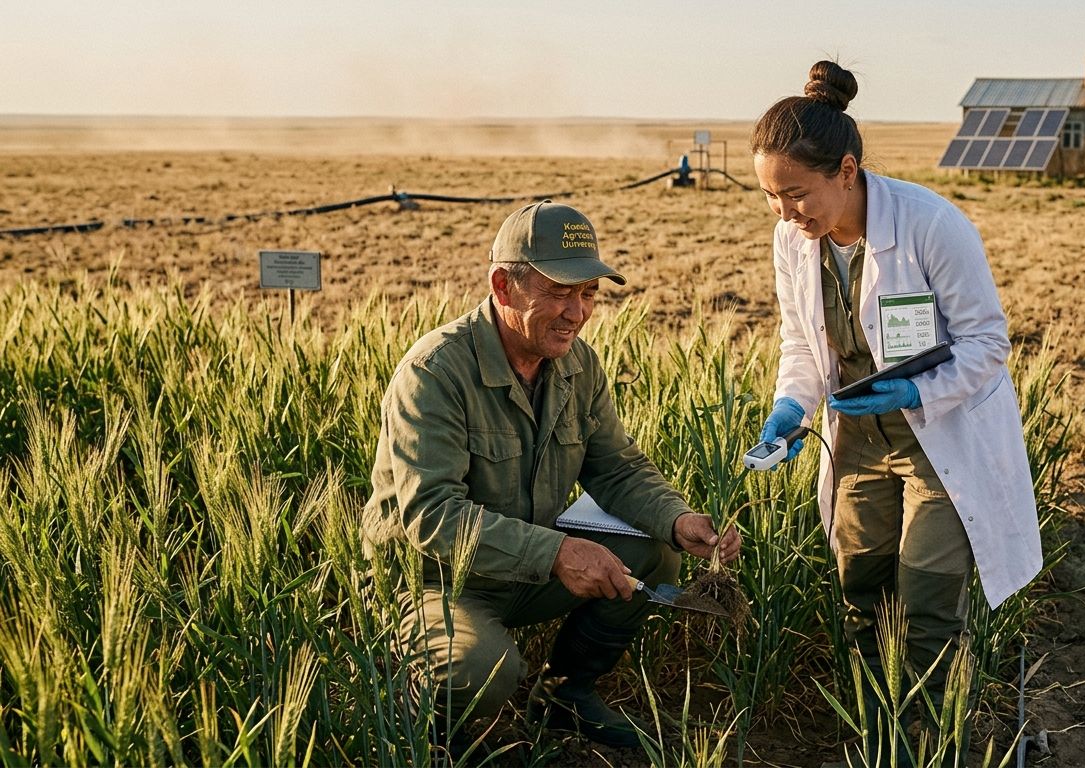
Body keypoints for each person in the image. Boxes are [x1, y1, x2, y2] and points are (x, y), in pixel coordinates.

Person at [361, 200, 741, 751]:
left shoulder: (577, 365)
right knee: (483, 669)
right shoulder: (435, 372)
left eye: (589, 293)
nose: (577, 312)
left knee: (657, 550)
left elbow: (617, 467)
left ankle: (566, 696)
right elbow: (432, 516)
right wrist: (558, 553)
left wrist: (679, 520)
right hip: (435, 582)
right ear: (503, 286)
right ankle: (422, 736)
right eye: (559, 291)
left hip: (527, 568)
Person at [751, 61, 1042, 755]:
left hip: (937, 441)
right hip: (857, 442)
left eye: (796, 195)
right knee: (862, 595)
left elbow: (986, 343)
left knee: (928, 604)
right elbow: (802, 344)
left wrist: (918, 391)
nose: (786, 214)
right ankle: (876, 736)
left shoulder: (930, 225)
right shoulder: (794, 240)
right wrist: (791, 407)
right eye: (770, 198)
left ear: (846, 171)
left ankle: (932, 745)